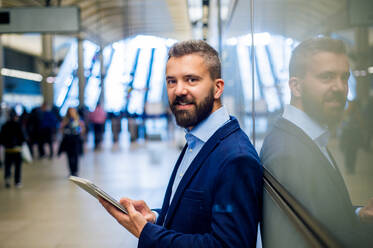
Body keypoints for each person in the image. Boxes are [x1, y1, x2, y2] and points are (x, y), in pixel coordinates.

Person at [99, 40, 263, 247]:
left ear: (217, 88)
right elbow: (197, 218)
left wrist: (146, 233)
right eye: (171, 81)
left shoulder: (236, 159)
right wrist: (156, 219)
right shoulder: (198, 140)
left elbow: (228, 245)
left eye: (191, 80)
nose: (178, 90)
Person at [260, 37, 373, 246]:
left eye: (345, 77)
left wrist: (358, 215)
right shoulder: (288, 154)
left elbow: (319, 219)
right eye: (327, 77)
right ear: (296, 86)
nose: (340, 87)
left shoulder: (306, 138)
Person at [0, 109, 25, 188]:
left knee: (8, 165)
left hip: (8, 150)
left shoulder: (4, 126)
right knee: (17, 166)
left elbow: (1, 138)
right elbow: (22, 137)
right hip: (17, 149)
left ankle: (7, 178)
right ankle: (17, 181)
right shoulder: (18, 125)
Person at [59, 107, 85, 177]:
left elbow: (82, 129)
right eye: (70, 111)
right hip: (68, 139)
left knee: (76, 155)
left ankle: (75, 171)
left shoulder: (78, 120)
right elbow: (61, 128)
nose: (72, 113)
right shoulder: (65, 120)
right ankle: (71, 171)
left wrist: (79, 128)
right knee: (69, 156)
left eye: (73, 111)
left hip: (76, 139)